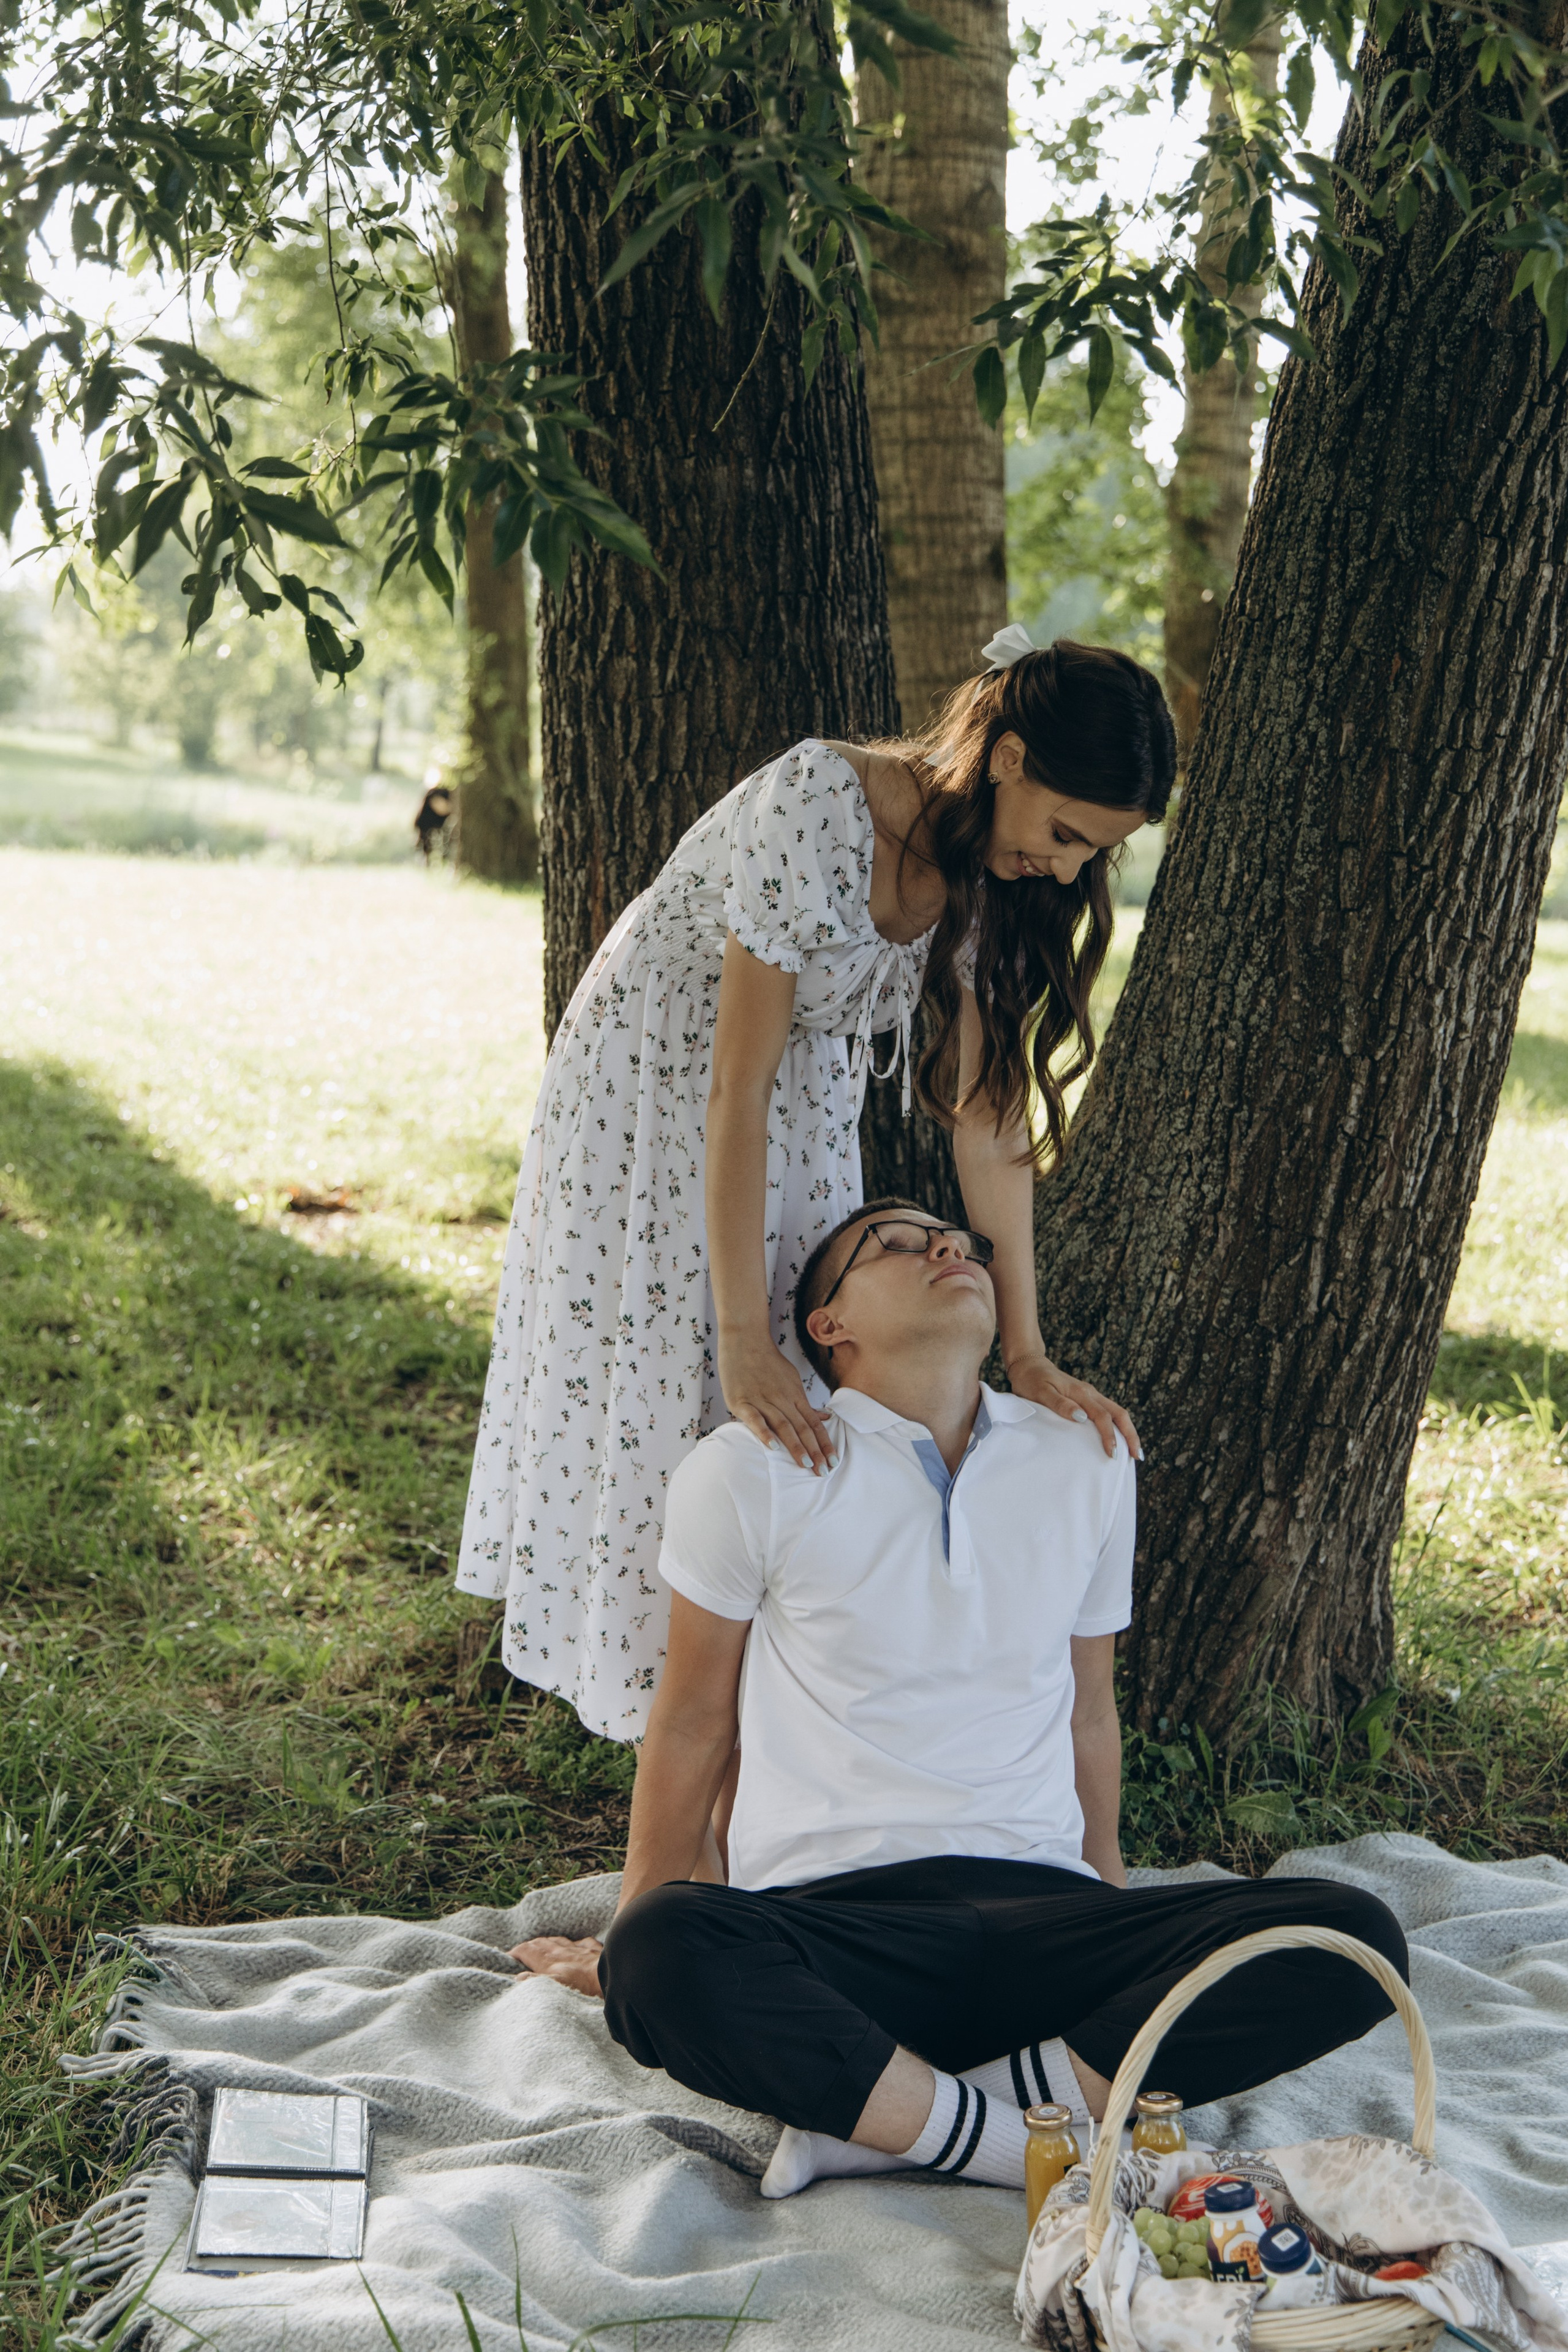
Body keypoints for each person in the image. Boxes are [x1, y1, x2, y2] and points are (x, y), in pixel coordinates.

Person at [512, 1201, 1409, 2198]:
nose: (948, 1248)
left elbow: (1088, 1712)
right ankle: (1022, 2140)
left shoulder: (1089, 1455)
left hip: (1047, 1920)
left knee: (1353, 1934)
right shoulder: (751, 1469)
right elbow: (690, 1722)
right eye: (895, 1244)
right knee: (663, 1953)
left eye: (962, 1240)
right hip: (839, 1933)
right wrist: (637, 1920)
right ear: (829, 1326)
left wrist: (1109, 1907)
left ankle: (900, 2128)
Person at [456, 627, 1175, 1744]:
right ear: (1009, 757)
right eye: (1068, 834)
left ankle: (766, 1764)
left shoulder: (990, 876)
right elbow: (730, 1087)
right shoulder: (818, 801)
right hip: (659, 1097)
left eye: (1100, 853)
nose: (1073, 869)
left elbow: (989, 1125)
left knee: (797, 1402)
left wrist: (1026, 1352)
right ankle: (675, 1751)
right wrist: (743, 1329)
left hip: (790, 1116)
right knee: (689, 1386)